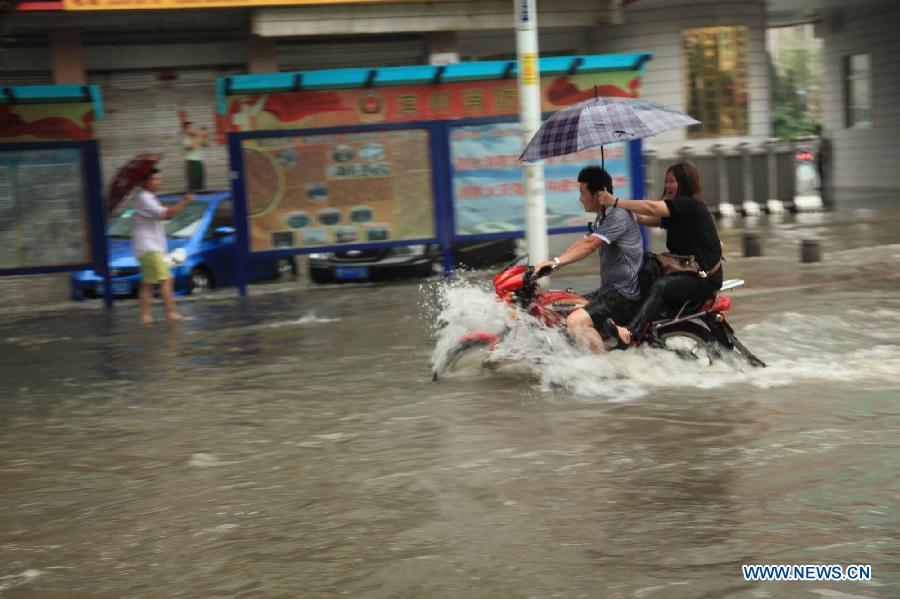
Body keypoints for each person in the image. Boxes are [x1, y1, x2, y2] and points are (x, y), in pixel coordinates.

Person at [594, 161, 723, 348]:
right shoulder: (677, 212)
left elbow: (650, 208)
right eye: (666, 181)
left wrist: (614, 201)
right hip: (687, 273)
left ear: (685, 183)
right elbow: (642, 217)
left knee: (660, 286)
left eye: (672, 181)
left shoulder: (690, 205)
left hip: (704, 277)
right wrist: (612, 211)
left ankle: (630, 332)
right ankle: (632, 323)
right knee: (645, 266)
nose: (667, 186)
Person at [533, 166, 644, 352]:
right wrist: (554, 263)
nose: (580, 198)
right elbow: (582, 242)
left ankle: (601, 371)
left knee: (576, 322)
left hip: (623, 295)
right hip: (608, 290)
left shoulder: (618, 216)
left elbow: (590, 245)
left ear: (599, 195)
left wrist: (557, 263)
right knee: (560, 304)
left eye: (583, 193)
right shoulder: (601, 219)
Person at [132, 168, 193, 324]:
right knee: (166, 280)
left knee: (148, 283)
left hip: (149, 247)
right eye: (155, 179)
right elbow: (166, 214)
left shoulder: (149, 198)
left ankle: (145, 317)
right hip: (149, 247)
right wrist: (184, 202)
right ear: (145, 182)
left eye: (159, 178)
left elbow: (163, 215)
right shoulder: (144, 198)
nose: (159, 182)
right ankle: (170, 313)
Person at [182, 121, 208, 191]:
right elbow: (192, 147)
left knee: (200, 185)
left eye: (194, 127)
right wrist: (199, 135)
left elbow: (207, 145)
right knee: (193, 186)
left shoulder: (196, 137)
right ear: (185, 129)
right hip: (192, 164)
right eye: (191, 127)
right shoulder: (184, 139)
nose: (193, 129)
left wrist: (205, 135)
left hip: (199, 163)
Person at [815, 124, 832, 207]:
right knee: (820, 173)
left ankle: (823, 188)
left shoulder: (824, 140)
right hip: (819, 159)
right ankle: (821, 187)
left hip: (822, 160)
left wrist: (823, 155)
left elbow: (825, 150)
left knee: (822, 174)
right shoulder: (818, 140)